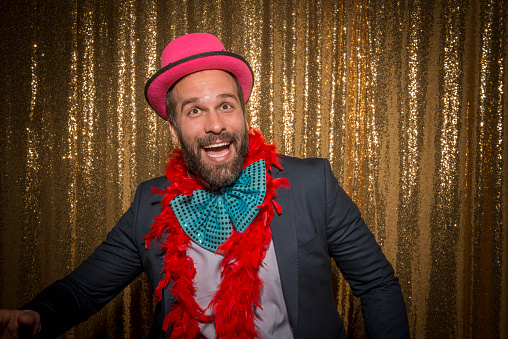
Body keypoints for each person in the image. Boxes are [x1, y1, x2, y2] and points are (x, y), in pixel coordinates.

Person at [0, 33, 409, 339]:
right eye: (195, 110)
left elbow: (376, 284)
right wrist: (37, 316)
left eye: (225, 105)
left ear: (243, 116)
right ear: (175, 130)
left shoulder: (309, 184)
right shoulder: (150, 203)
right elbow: (81, 291)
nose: (215, 124)